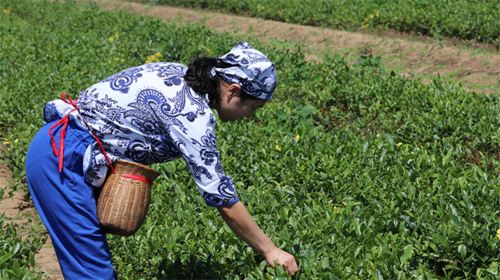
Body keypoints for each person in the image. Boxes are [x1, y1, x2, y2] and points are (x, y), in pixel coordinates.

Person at [26, 41, 299, 279]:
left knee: (90, 260)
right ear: (233, 91)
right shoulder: (193, 115)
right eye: (252, 107)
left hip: (61, 145)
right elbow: (220, 196)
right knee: (93, 271)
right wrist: (270, 250)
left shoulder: (181, 73)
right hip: (62, 159)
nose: (249, 116)